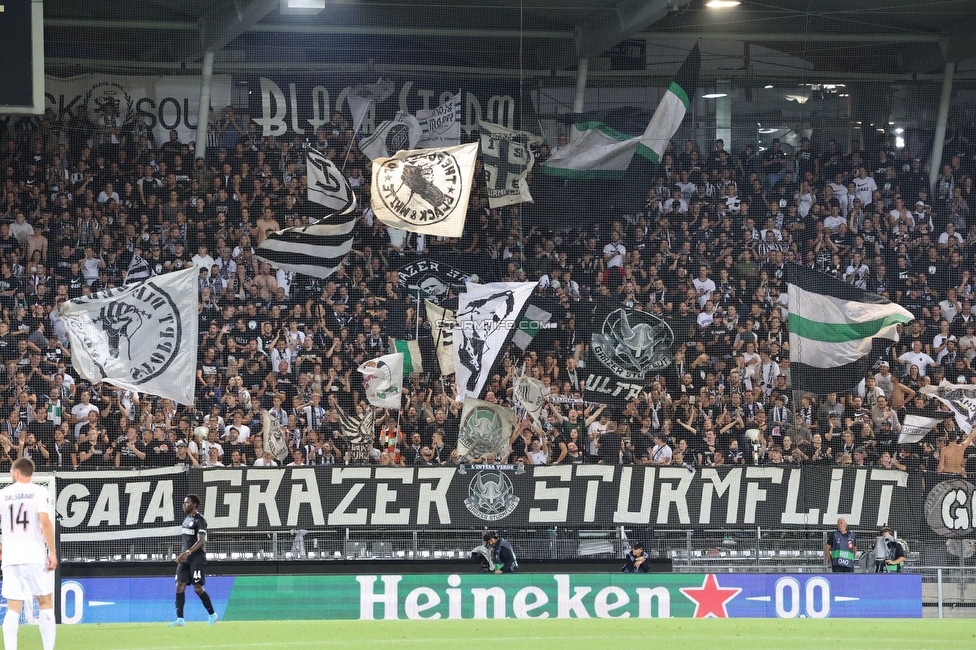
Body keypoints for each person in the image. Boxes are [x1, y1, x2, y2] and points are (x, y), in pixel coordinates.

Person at [0, 457, 57, 650]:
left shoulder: (4, 494)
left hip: (10, 557)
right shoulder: (39, 492)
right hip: (34, 555)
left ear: (16, 472)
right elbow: (46, 522)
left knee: (13, 608)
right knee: (45, 602)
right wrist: (52, 552)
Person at [168, 494, 217, 626]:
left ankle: (212, 615)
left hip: (196, 559)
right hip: (185, 559)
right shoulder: (186, 519)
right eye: (184, 503)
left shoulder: (200, 520)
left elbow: (201, 541)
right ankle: (180, 619)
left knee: (197, 588)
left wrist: (187, 553)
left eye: (187, 503)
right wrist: (184, 553)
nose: (184, 505)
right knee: (180, 586)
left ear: (194, 505)